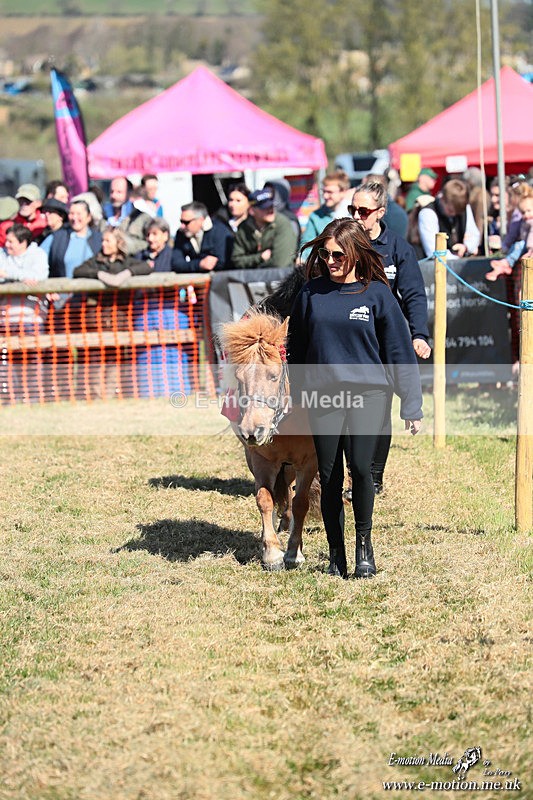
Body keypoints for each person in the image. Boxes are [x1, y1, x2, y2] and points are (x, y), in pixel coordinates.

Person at [287, 218, 423, 579]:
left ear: (356, 253)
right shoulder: (310, 294)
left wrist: (411, 403)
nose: (330, 260)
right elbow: (296, 350)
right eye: (326, 254)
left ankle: (364, 545)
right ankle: (336, 553)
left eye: (338, 254)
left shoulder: (377, 294)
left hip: (369, 395)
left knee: (361, 469)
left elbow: (398, 351)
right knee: (329, 476)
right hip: (323, 397)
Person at [349, 181, 430, 494]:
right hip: (351, 338)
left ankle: (372, 476)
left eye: (364, 211)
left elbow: (413, 295)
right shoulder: (342, 243)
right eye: (352, 209)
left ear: (380, 213)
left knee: (378, 407)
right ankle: (351, 472)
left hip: (384, 340)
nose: (356, 216)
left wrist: (419, 334)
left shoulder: (397, 248)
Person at [73, 227, 152, 399]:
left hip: (119, 318)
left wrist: (127, 273)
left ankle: (111, 394)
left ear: (119, 243)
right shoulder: (96, 261)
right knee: (94, 358)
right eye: (103, 240)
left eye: (108, 241)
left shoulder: (127, 262)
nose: (104, 244)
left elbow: (146, 267)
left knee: (115, 357)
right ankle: (94, 395)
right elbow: (77, 271)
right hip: (96, 319)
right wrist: (99, 274)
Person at [231, 187, 298, 269]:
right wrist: (259, 257)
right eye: (265, 208)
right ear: (252, 210)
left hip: (281, 278)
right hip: (252, 280)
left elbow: (280, 262)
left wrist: (254, 267)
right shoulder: (243, 228)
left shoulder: (282, 224)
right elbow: (237, 261)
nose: (271, 210)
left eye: (271, 206)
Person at [415, 178, 480, 259]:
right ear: (442, 199)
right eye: (450, 210)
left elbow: (474, 235)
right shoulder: (428, 213)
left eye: (458, 212)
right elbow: (433, 251)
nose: (454, 214)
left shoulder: (464, 208)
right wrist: (456, 258)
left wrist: (466, 247)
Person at [172, 201, 234, 273]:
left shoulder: (220, 231)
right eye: (181, 221)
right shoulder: (181, 234)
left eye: (186, 222)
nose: (182, 226)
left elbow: (222, 262)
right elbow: (176, 264)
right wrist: (199, 264)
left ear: (200, 220)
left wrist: (190, 265)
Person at [300, 170, 350, 248]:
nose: (325, 196)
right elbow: (307, 245)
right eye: (324, 192)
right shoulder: (316, 216)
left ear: (343, 191)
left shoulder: (354, 214)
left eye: (330, 192)